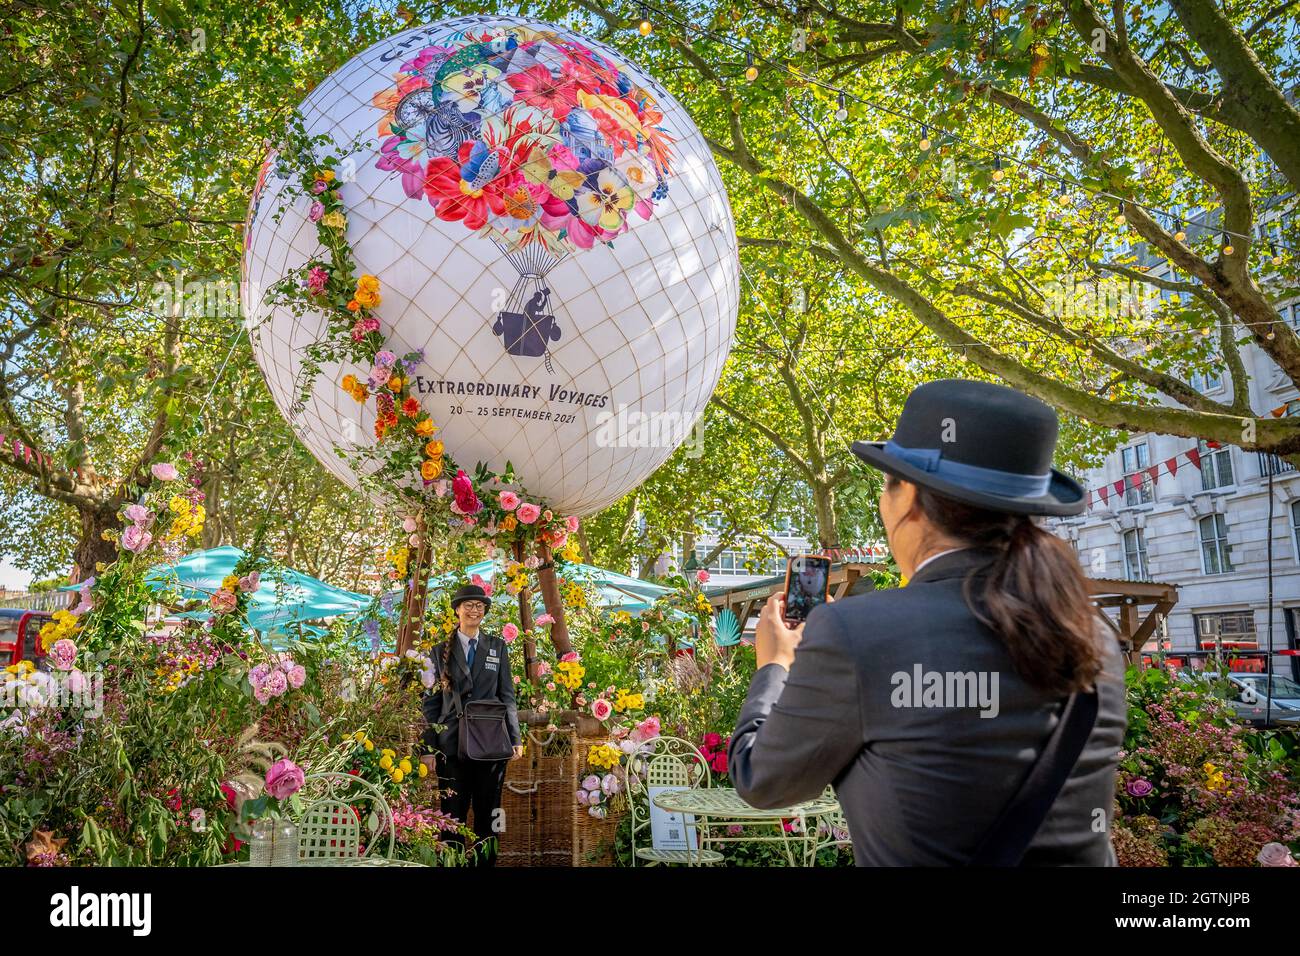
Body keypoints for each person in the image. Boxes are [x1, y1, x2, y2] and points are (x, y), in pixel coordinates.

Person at [728, 379, 1127, 865]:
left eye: (886, 483)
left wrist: (775, 667)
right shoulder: (1094, 635)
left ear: (910, 497)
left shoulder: (859, 633)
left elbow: (762, 779)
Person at [419, 583, 523, 865]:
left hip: (491, 746)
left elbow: (507, 696)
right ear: (457, 610)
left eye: (480, 606)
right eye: (469, 605)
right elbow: (429, 703)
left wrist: (515, 738)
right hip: (451, 746)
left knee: (490, 816)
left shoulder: (497, 648)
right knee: (451, 816)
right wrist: (427, 748)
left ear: (484, 611)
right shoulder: (438, 651)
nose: (474, 609)